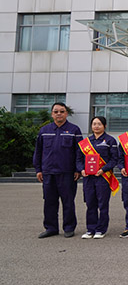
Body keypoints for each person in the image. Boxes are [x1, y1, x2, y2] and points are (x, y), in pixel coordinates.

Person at [34, 102, 83, 238]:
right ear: (52, 114)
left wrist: (78, 169)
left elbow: (79, 152)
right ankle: (51, 228)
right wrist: (38, 169)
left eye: (62, 111)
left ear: (66, 113)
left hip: (67, 173)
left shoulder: (74, 130)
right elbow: (38, 151)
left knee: (68, 202)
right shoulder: (44, 131)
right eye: (56, 112)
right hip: (48, 172)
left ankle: (69, 227)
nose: (59, 114)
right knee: (49, 202)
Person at [77, 116, 119, 239]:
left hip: (103, 177)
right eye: (94, 124)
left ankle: (101, 229)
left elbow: (114, 159)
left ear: (104, 126)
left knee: (103, 204)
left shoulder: (110, 140)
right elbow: (78, 159)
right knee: (90, 203)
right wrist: (81, 170)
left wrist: (103, 169)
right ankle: (90, 229)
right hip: (88, 178)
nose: (96, 126)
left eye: (99, 124)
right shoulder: (85, 142)